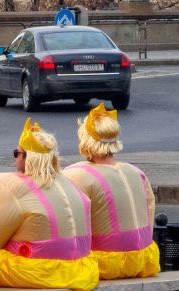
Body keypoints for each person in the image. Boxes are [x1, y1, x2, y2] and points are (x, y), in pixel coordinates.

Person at [0, 119, 99, 291]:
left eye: (17, 153)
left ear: (27, 157)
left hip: (36, 273)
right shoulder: (71, 183)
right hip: (82, 270)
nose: (16, 158)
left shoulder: (11, 184)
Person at [63, 103, 159, 279]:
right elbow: (150, 209)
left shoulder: (76, 175)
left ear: (85, 141)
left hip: (105, 264)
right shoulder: (137, 173)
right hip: (145, 259)